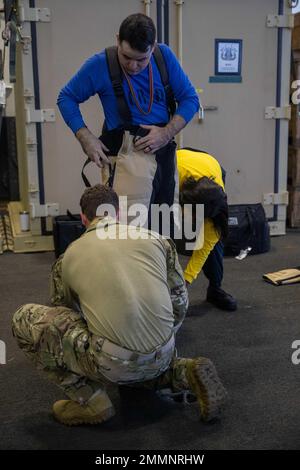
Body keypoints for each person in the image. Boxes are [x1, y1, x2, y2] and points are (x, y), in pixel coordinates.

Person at [12, 184, 227, 426]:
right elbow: (179, 300)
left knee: (24, 318)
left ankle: (90, 400)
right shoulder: (157, 240)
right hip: (165, 348)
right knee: (140, 348)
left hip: (112, 363)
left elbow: (65, 314)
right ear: (119, 214)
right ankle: (181, 371)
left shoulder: (67, 258)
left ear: (84, 219)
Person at [57, 13, 199, 220]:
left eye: (141, 59)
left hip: (163, 156)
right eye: (126, 57)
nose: (133, 66)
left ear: (154, 46)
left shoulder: (164, 58)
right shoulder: (100, 65)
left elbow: (190, 99)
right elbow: (66, 97)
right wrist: (85, 137)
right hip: (124, 159)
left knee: (164, 229)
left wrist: (167, 133)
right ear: (117, 40)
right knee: (127, 233)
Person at [177, 148, 237, 311]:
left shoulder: (217, 200)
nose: (196, 221)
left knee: (213, 238)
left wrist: (184, 283)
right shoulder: (174, 178)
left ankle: (215, 289)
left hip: (211, 167)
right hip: (181, 162)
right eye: (194, 215)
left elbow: (204, 249)